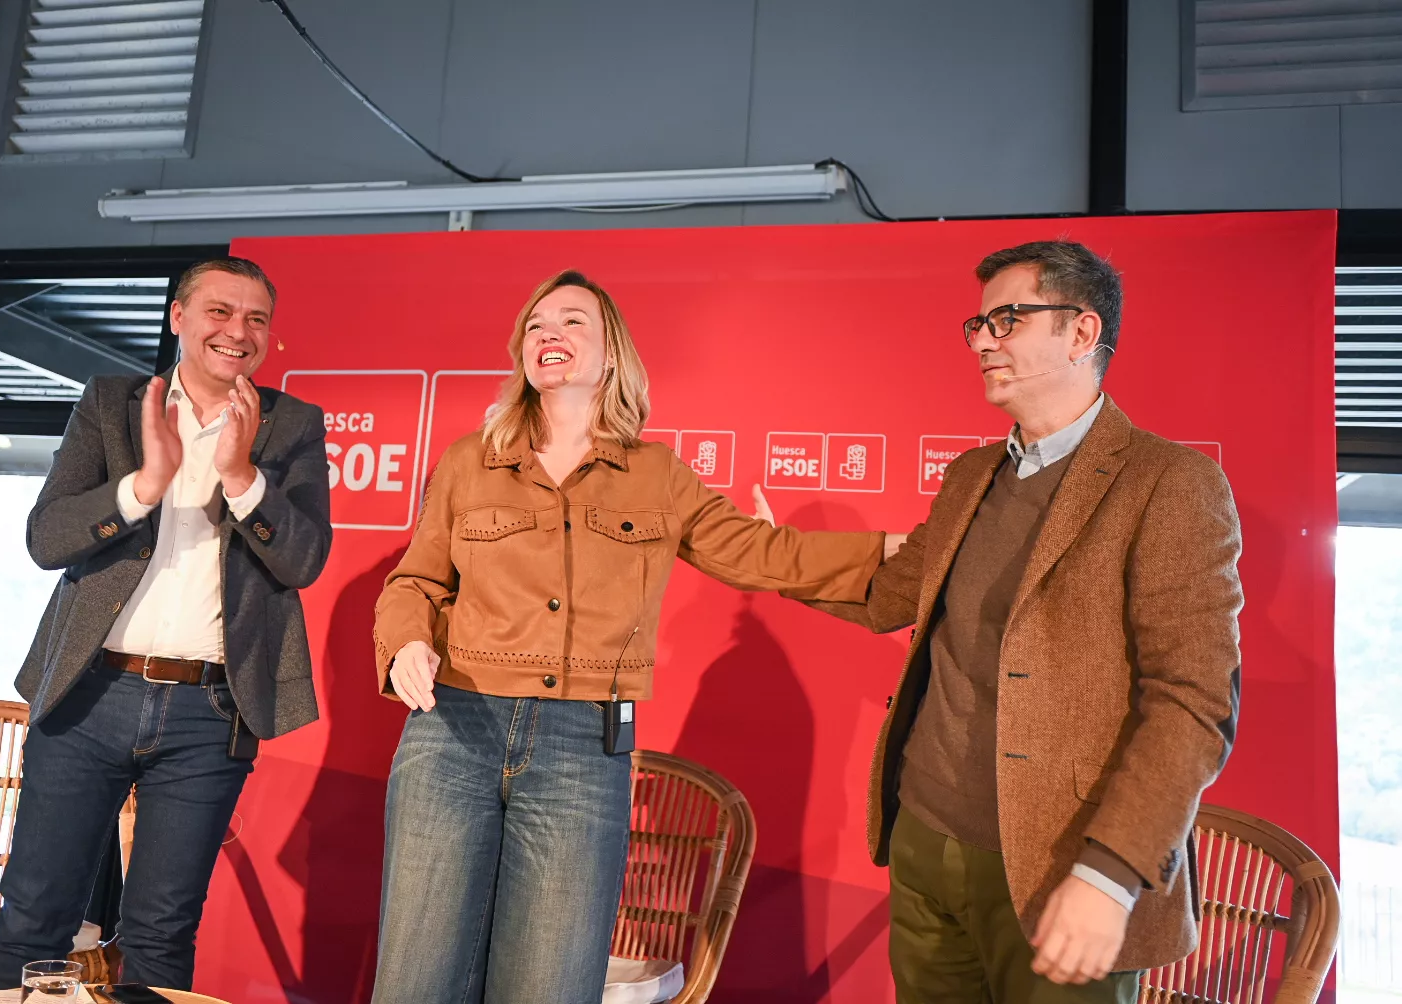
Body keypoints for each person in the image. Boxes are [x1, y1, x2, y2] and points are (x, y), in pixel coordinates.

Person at [369, 269, 901, 1003]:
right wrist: (404, 643)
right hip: (453, 731)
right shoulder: (469, 461)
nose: (549, 333)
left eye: (572, 322)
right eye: (536, 325)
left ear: (612, 354)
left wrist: (897, 552)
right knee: (417, 981)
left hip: (583, 748)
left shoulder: (657, 476)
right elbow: (413, 583)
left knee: (549, 986)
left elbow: (765, 555)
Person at [758, 240, 1243, 1003]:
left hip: (1062, 869)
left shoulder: (1171, 484)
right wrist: (761, 555)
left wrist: (1110, 873)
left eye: (1007, 319)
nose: (983, 340)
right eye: (978, 324)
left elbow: (1192, 703)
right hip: (922, 840)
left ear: (1083, 333)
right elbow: (890, 592)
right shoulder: (970, 475)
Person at [0, 257, 332, 990]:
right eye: (219, 312)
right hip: (88, 694)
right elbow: (47, 539)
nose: (238, 332)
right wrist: (142, 487)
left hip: (209, 711)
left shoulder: (292, 424)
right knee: (33, 917)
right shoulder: (113, 404)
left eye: (256, 319)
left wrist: (241, 477)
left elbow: (302, 561)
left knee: (163, 933)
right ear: (178, 316)